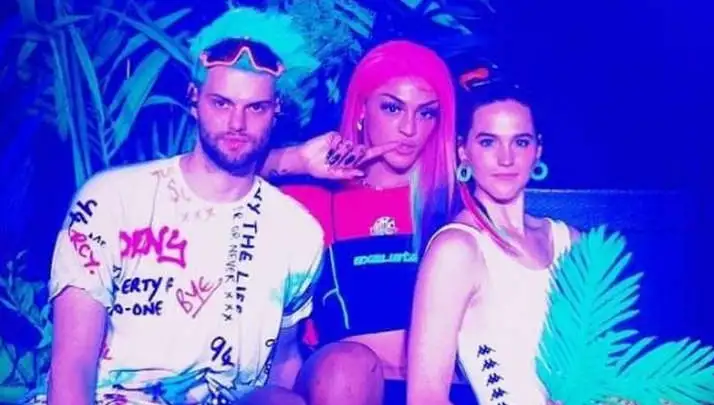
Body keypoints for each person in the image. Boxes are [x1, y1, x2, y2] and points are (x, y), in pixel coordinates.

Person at [29, 7, 332, 405]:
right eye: (221, 103)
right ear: (194, 100)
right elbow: (72, 367)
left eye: (255, 107)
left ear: (276, 110)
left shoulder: (298, 233)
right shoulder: (111, 201)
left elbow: (283, 368)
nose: (237, 123)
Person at [281, 40, 477, 405]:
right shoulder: (316, 200)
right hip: (341, 386)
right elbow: (217, 177)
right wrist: (297, 160)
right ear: (361, 109)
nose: (409, 128)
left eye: (426, 113)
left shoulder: (455, 205)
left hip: (443, 390)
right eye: (392, 108)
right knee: (344, 367)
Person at [406, 74, 581, 405]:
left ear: (538, 150)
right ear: (464, 151)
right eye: (488, 142)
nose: (506, 159)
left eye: (520, 142)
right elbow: (425, 397)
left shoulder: (570, 242)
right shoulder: (456, 250)